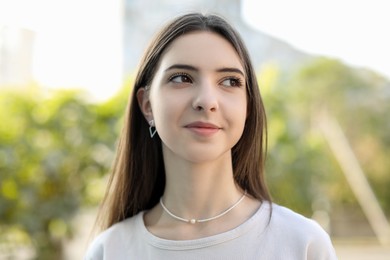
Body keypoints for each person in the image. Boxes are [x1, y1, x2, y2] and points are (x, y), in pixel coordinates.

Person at [85, 12, 337, 259]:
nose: (207, 101)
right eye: (182, 78)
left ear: (247, 107)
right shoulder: (110, 250)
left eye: (229, 82)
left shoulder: (303, 244)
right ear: (147, 105)